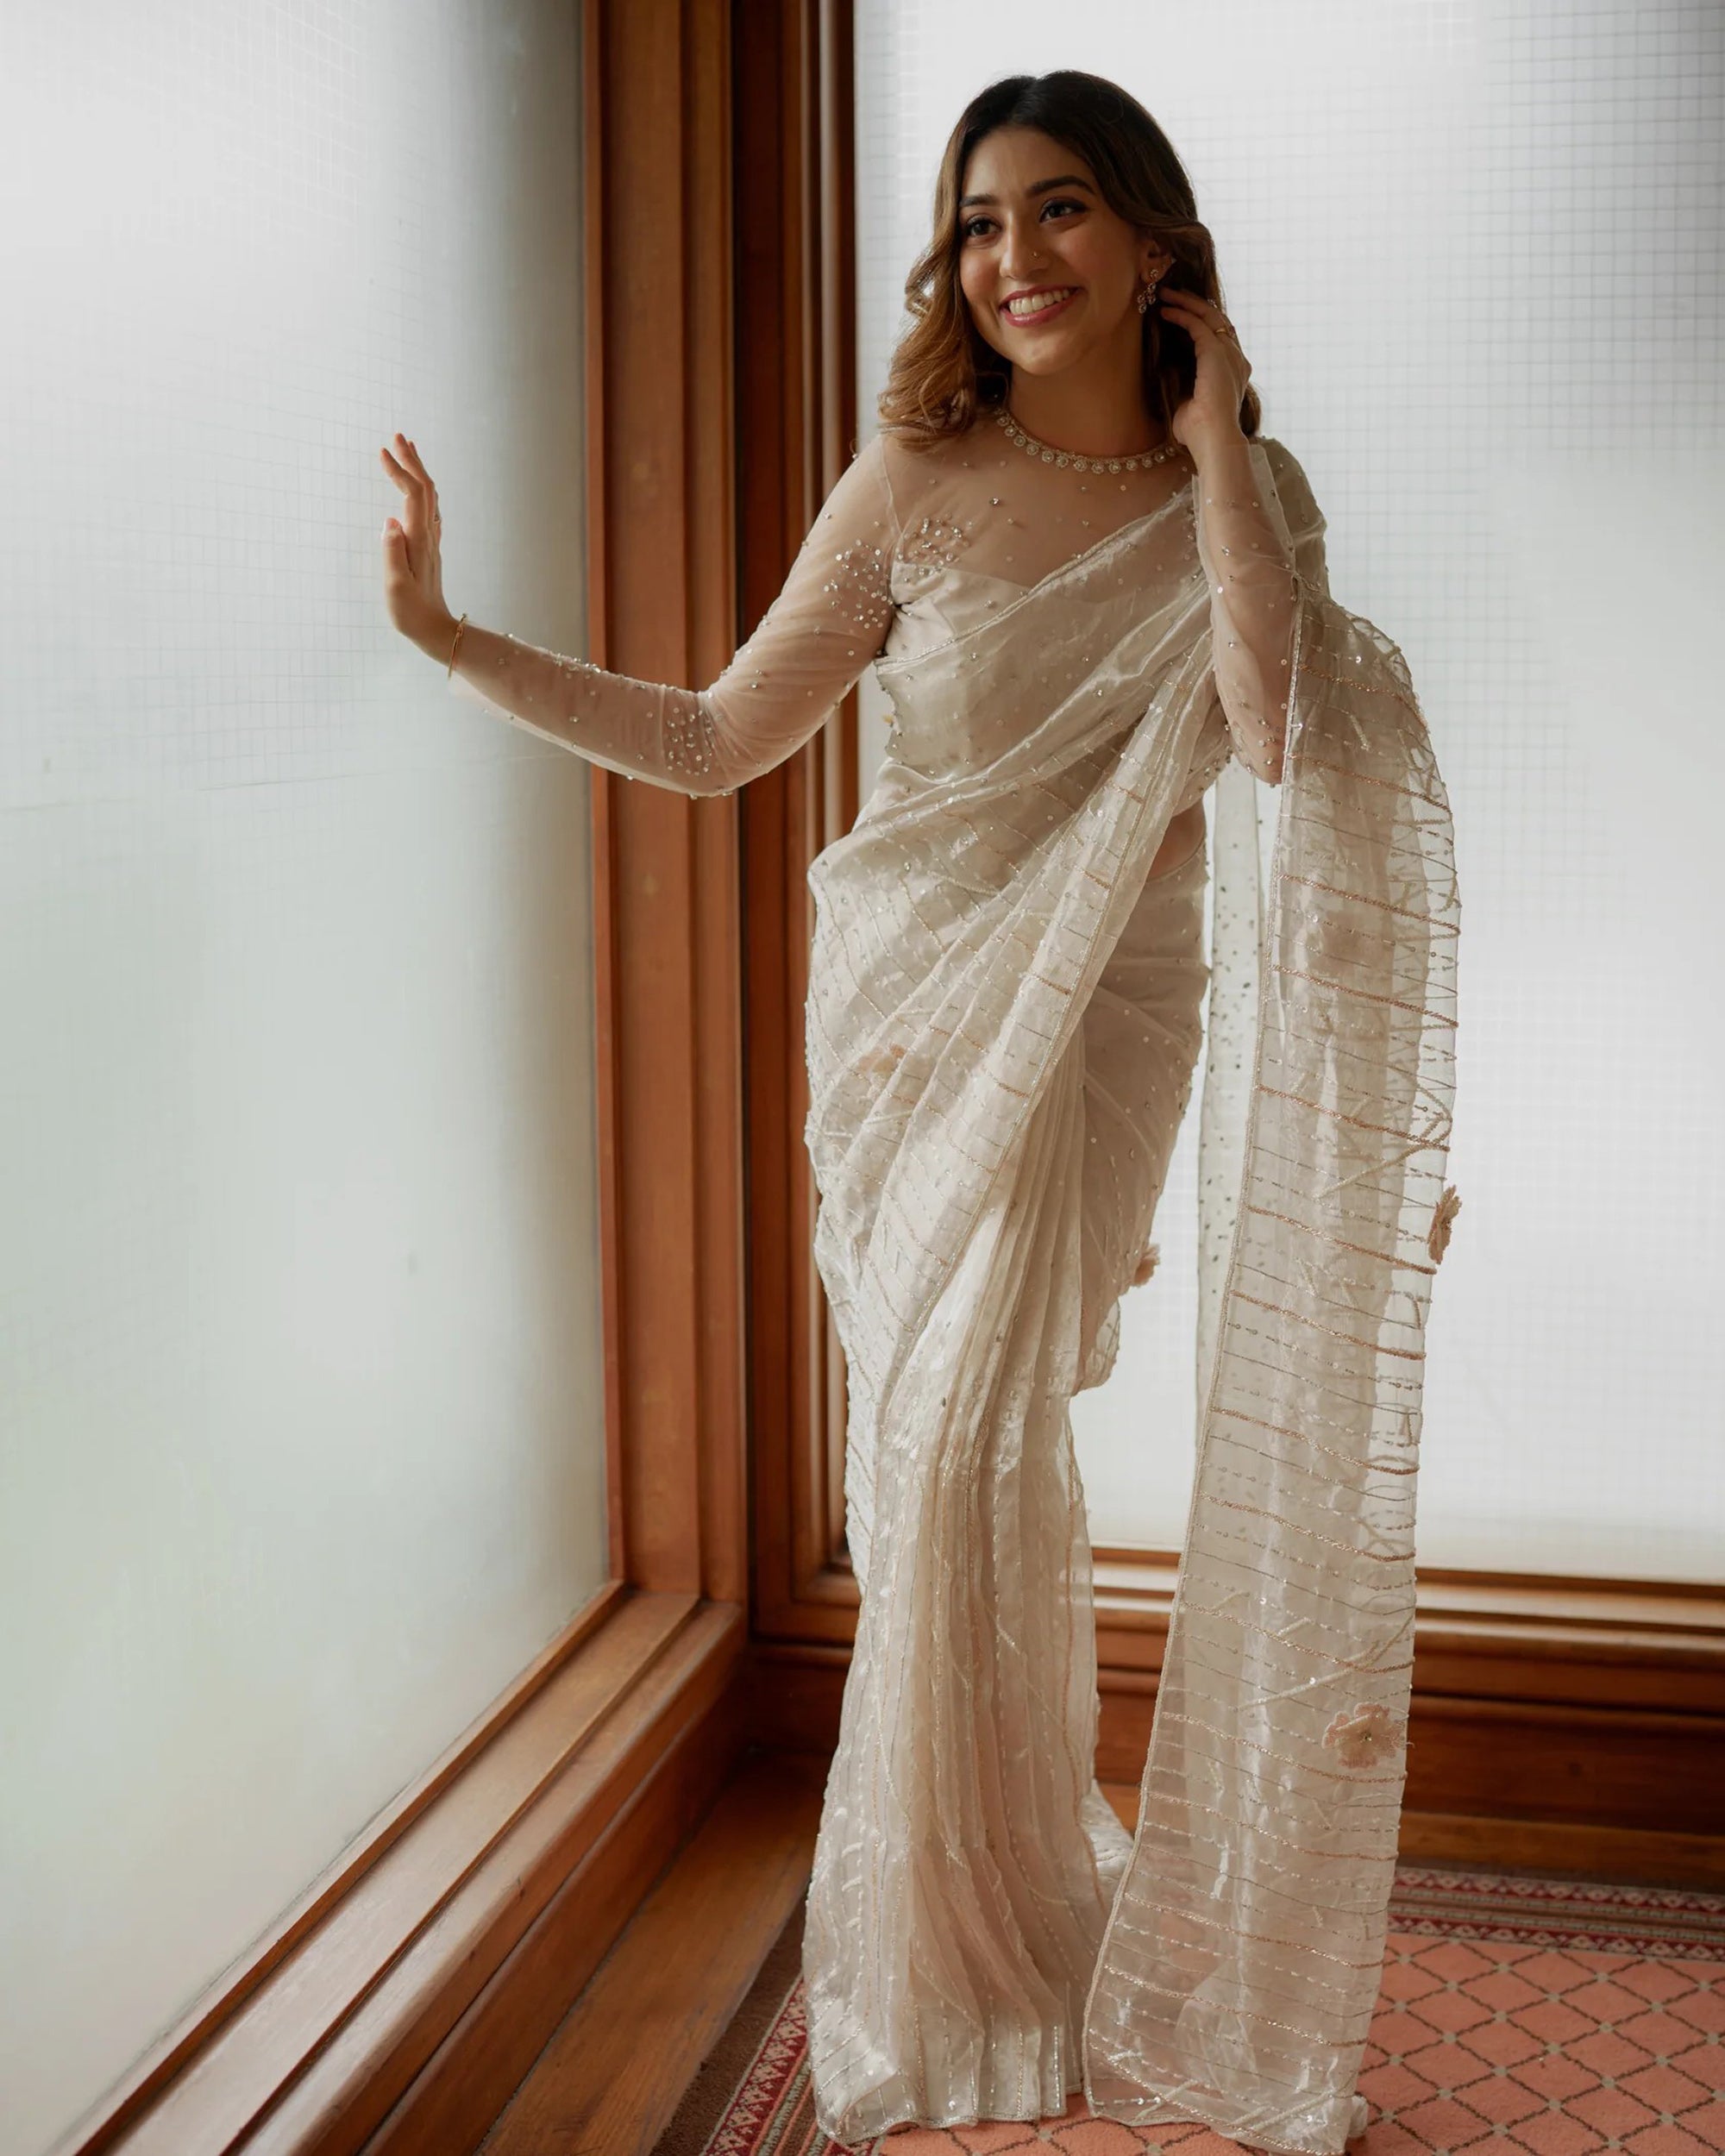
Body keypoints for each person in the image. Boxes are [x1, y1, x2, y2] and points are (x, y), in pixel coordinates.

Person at [380, 69, 1459, 2156]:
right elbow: (712, 736)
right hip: (915, 1017)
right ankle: (957, 1949)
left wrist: (1215, 453)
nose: (1012, 258)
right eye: (978, 222)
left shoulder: (1250, 488)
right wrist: (447, 639)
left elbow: (1272, 727)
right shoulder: (911, 478)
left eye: (1058, 212)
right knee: (945, 1453)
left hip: (1112, 1010)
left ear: (1152, 244)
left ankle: (1009, 1910)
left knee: (989, 1443)